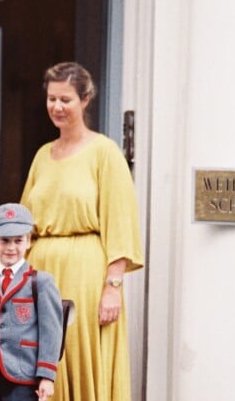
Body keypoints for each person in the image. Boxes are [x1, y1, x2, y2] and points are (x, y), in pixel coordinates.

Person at [20, 61, 144, 401]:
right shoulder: (42, 156)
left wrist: (113, 286)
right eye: (52, 99)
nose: (57, 107)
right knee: (41, 362)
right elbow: (23, 224)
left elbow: (120, 221)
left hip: (85, 274)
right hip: (41, 272)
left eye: (66, 99)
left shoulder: (104, 152)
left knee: (76, 353)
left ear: (85, 99)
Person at [0, 203, 63, 401]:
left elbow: (51, 331)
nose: (11, 248)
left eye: (18, 241)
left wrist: (47, 376)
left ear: (28, 242)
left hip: (24, 376)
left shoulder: (41, 282)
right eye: (4, 240)